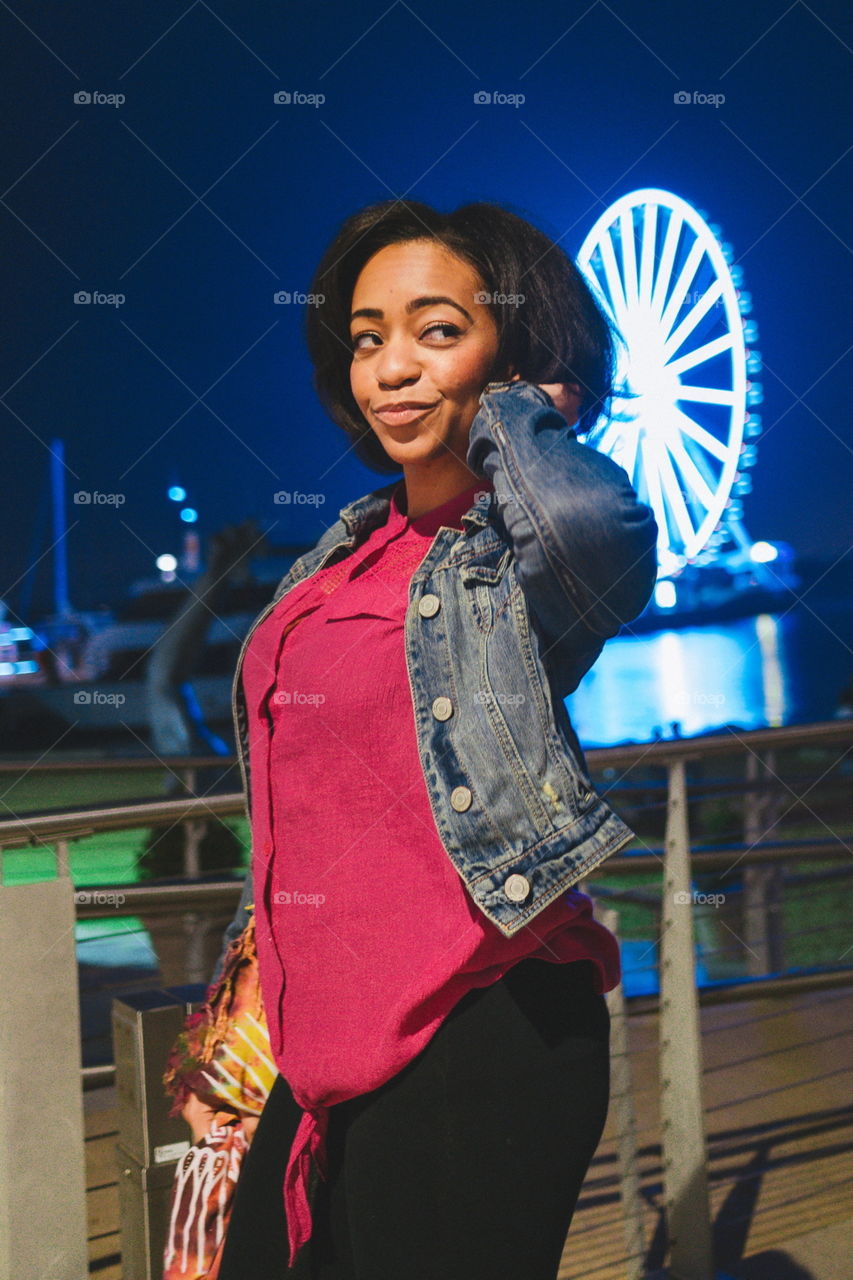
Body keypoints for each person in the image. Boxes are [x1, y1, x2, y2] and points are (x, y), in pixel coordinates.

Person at [211, 198, 658, 1280]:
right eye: (367, 338)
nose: (391, 368)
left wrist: (509, 408)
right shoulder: (336, 554)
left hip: (481, 1028)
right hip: (314, 1050)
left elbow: (600, 534)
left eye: (437, 330)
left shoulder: (512, 564)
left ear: (511, 351)